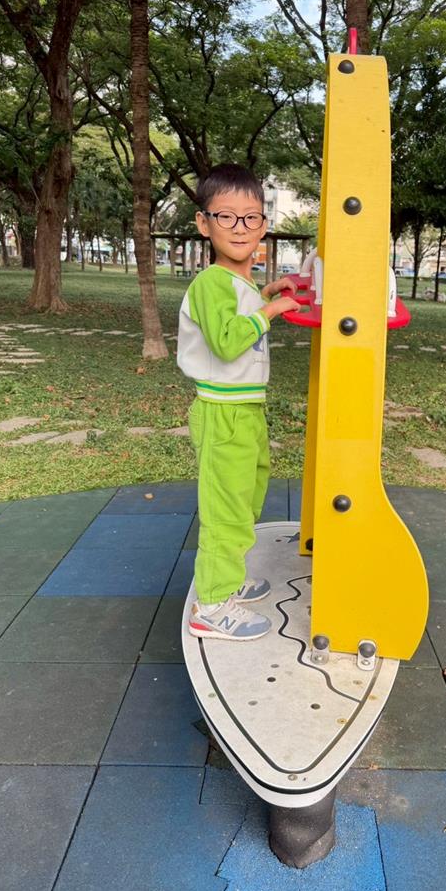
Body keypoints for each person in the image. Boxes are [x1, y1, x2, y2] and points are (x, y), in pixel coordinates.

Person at [177, 163, 300, 641]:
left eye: (250, 218)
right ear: (203, 223)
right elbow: (228, 341)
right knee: (226, 510)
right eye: (225, 217)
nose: (240, 228)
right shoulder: (210, 283)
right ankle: (210, 605)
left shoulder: (241, 284)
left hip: (246, 411)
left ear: (264, 225)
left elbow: (241, 309)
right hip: (222, 412)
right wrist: (270, 311)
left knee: (247, 498)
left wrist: (266, 293)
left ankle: (226, 579)